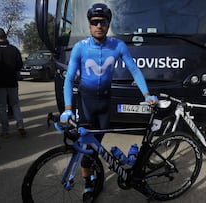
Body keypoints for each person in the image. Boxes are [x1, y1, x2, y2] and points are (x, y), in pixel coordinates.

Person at [59, 3, 158, 202]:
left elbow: (135, 70)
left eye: (102, 22)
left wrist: (146, 94)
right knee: (85, 148)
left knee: (97, 146)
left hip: (105, 102)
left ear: (108, 24)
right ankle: (88, 183)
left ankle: (101, 166)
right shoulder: (81, 48)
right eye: (94, 22)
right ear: (89, 25)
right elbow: (69, 79)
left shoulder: (118, 45)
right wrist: (68, 109)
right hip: (85, 103)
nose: (98, 26)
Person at [0, 28, 26, 137]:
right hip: (12, 81)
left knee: (2, 107)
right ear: (5, 36)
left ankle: (5, 130)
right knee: (15, 104)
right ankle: (20, 124)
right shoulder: (13, 49)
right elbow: (19, 65)